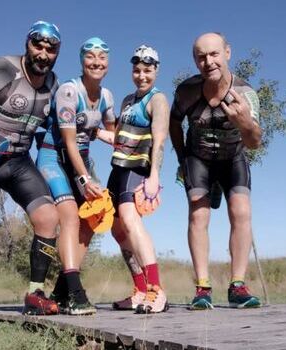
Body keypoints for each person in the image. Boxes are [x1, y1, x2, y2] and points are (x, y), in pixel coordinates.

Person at [0, 20, 61, 336]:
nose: (43, 54)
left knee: (48, 217)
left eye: (50, 49)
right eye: (38, 45)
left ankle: (35, 294)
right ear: (28, 44)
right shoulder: (2, 67)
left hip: (19, 161)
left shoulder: (54, 85)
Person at [170, 32, 262, 310]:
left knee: (241, 211)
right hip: (197, 158)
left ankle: (237, 286)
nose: (208, 61)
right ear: (195, 61)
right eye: (201, 56)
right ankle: (202, 288)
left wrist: (245, 122)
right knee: (199, 215)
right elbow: (174, 124)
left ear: (227, 53)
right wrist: (182, 158)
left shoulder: (246, 93)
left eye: (214, 54)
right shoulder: (186, 91)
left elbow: (254, 143)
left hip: (233, 158)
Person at [36, 37, 116, 315]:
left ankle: (62, 290)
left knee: (91, 220)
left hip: (80, 159)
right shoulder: (69, 91)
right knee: (70, 216)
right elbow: (69, 142)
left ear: (108, 63)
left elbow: (111, 132)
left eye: (102, 58)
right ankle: (76, 293)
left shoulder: (106, 96)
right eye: (90, 57)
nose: (96, 62)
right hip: (54, 155)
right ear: (82, 61)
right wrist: (84, 180)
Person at [108, 45, 170, 313]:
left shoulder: (157, 100)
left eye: (147, 70)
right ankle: (140, 289)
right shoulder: (126, 101)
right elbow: (118, 139)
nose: (141, 75)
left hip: (138, 169)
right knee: (117, 229)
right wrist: (90, 130)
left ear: (156, 70)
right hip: (118, 169)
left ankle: (157, 290)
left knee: (131, 221)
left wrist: (154, 175)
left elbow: (159, 139)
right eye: (137, 70)